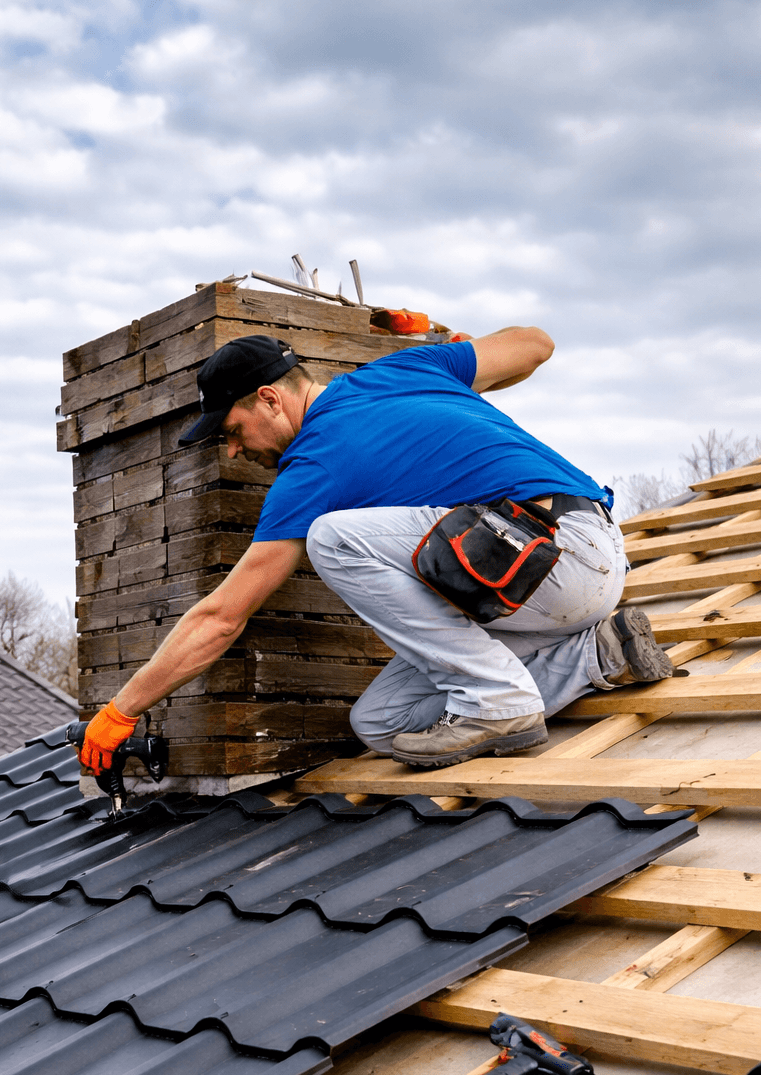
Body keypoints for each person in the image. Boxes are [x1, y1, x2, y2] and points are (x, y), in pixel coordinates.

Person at [77, 329, 673, 776]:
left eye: (232, 431)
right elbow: (535, 345)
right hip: (575, 567)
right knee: (382, 723)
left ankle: (498, 701)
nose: (233, 451)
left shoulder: (313, 466)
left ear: (269, 399)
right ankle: (596, 656)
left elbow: (221, 617)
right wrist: (457, 365)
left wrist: (122, 711)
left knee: (331, 537)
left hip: (555, 556)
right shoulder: (409, 366)